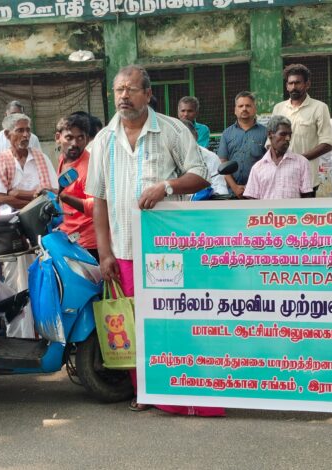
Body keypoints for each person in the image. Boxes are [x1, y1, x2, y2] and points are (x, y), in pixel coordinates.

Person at [86, 65, 219, 416]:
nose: (123, 96)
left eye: (130, 89)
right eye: (118, 90)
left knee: (169, 320)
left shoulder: (172, 130)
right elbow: (98, 200)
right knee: (133, 324)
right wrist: (104, 253)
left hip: (167, 250)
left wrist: (167, 187)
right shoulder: (103, 140)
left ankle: (179, 387)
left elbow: (200, 175)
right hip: (125, 249)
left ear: (147, 94)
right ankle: (143, 389)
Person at [0, 112, 57, 292]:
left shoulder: (41, 158)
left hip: (40, 228)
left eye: (28, 130)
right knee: (16, 282)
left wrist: (17, 193)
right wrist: (35, 198)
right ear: (7, 134)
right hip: (11, 232)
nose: (26, 135)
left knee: (44, 277)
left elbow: (52, 194)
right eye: (20, 130)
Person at [271, 64, 332, 196]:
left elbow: (327, 143)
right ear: (287, 86)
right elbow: (270, 141)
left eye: (298, 83)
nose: (294, 87)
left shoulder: (319, 107)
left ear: (307, 84)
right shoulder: (278, 108)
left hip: (307, 180)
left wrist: (298, 159)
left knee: (306, 209)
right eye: (290, 83)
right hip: (281, 178)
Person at [56, 114, 98, 259]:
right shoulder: (63, 158)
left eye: (80, 138)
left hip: (89, 243)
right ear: (58, 138)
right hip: (69, 237)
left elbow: (96, 207)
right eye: (69, 138)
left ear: (87, 139)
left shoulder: (88, 168)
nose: (75, 143)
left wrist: (65, 197)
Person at [243, 115, 311, 200]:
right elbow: (252, 199)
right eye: (283, 134)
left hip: (294, 209)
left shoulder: (302, 163)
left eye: (290, 135)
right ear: (270, 134)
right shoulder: (257, 168)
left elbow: (307, 197)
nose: (288, 138)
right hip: (266, 209)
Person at [217, 91, 267, 198]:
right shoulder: (227, 133)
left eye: (248, 106)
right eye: (240, 106)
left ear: (255, 109)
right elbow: (222, 162)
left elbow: (269, 163)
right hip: (232, 192)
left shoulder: (266, 133)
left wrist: (251, 188)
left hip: (259, 192)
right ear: (235, 110)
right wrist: (235, 187)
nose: (244, 109)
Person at [180, 118, 227, 196]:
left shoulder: (211, 157)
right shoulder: (164, 158)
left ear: (196, 136)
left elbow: (220, 188)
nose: (185, 143)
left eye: (188, 138)